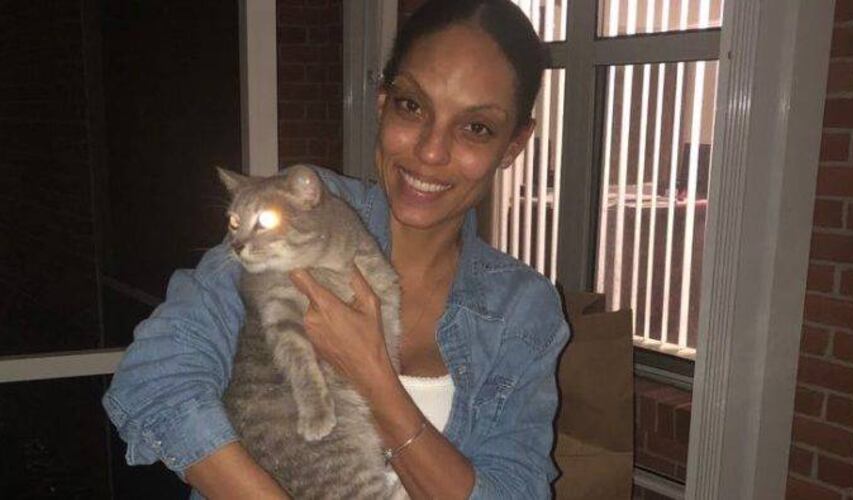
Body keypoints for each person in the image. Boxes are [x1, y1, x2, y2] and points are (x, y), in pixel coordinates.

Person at [103, 0, 570, 498]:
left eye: (476, 128)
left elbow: (516, 490)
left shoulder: (524, 309)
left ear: (513, 145)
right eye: (412, 106)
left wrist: (374, 380)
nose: (431, 151)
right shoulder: (302, 215)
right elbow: (154, 380)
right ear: (382, 102)